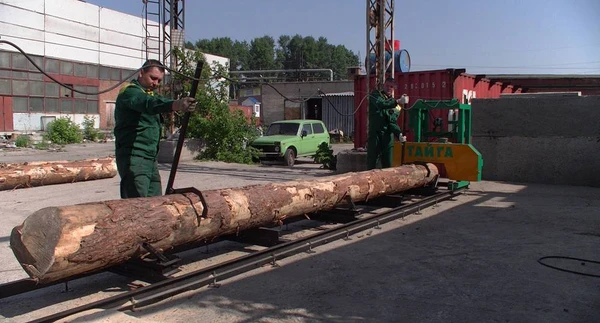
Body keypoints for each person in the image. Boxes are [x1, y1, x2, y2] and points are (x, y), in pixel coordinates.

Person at [114, 59, 197, 199]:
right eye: (153, 78)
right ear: (141, 73)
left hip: (150, 158)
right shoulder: (130, 93)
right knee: (137, 205)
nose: (156, 83)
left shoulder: (148, 93)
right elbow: (149, 104)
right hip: (135, 157)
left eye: (159, 80)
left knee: (156, 203)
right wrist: (176, 104)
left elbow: (159, 101)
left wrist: (181, 104)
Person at [367, 78, 403, 170]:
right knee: (372, 159)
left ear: (394, 88)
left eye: (391, 87)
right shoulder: (376, 95)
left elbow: (392, 121)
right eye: (387, 86)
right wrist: (396, 102)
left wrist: (399, 134)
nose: (389, 88)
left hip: (387, 134)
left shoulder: (396, 106)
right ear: (383, 85)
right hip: (375, 133)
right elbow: (381, 104)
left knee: (388, 162)